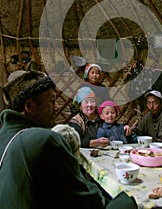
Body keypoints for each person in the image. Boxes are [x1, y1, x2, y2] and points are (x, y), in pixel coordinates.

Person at [0, 71, 137, 209]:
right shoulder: (42, 140)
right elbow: (89, 203)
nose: (57, 107)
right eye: (52, 101)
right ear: (30, 106)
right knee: (130, 201)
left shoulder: (4, 136)